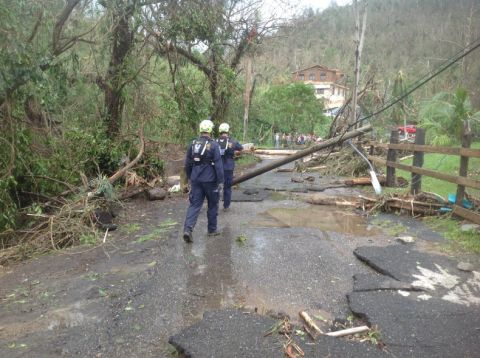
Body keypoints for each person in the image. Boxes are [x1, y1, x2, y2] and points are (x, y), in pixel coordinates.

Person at [182, 118, 224, 243]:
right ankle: (212, 230)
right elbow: (218, 164)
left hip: (196, 179)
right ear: (210, 130)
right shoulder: (214, 145)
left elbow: (187, 164)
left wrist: (190, 178)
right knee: (212, 204)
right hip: (210, 180)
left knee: (194, 205)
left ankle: (187, 230)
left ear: (200, 130)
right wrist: (221, 181)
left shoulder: (193, 144)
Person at [217, 123, 243, 211]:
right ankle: (226, 206)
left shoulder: (215, 141)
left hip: (217, 167)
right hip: (228, 167)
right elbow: (241, 148)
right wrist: (234, 152)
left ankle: (214, 204)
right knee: (227, 187)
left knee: (216, 186)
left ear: (220, 131)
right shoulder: (233, 141)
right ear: (228, 131)